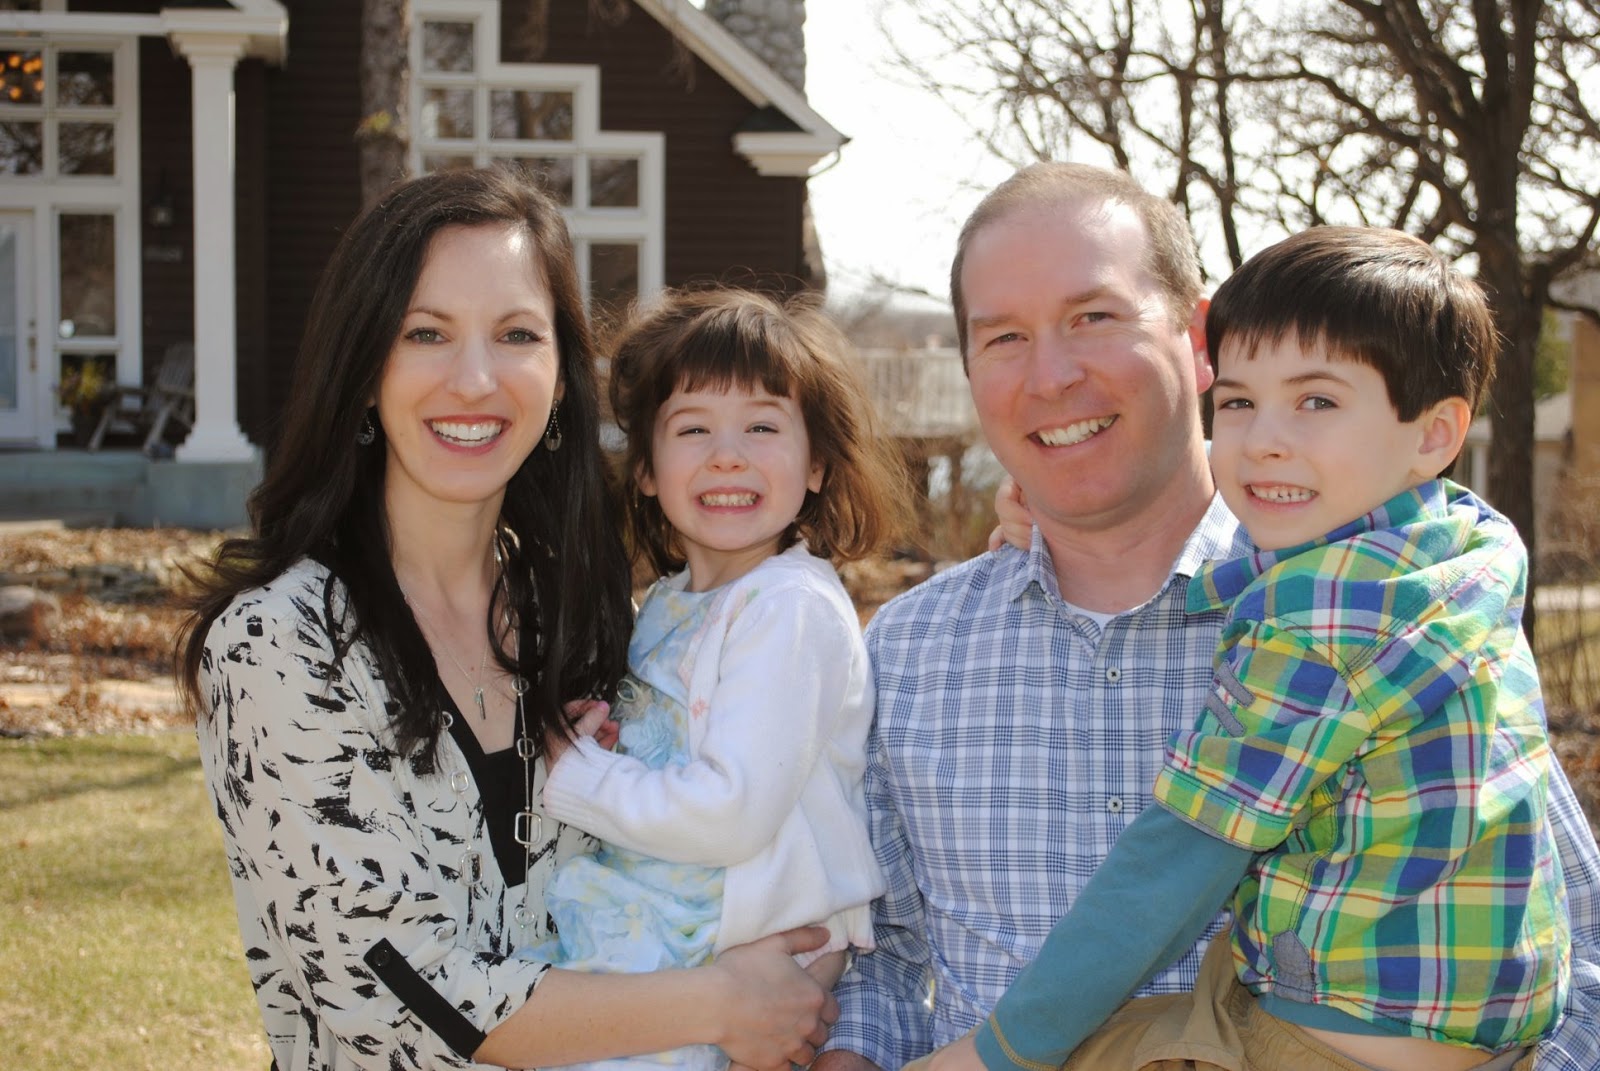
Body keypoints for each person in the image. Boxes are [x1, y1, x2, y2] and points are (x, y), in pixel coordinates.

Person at [813, 163, 1600, 1071]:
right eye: (1004, 337)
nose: (1052, 375)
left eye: (1092, 317)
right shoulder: (909, 648)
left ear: (1198, 338)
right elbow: (885, 955)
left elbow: (1575, 952)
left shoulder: (1389, 604)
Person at [181, 168, 839, 1071]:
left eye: (517, 334)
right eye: (426, 333)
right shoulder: (282, 641)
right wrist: (723, 1004)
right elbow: (394, 994)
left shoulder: (579, 613)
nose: (476, 379)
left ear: (560, 377)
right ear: (364, 368)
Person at [530, 287, 913, 1071]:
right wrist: (616, 740)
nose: (727, 454)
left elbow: (732, 809)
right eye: (693, 428)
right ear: (646, 469)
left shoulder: (788, 606)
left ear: (815, 464)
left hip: (742, 938)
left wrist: (577, 774)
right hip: (676, 918)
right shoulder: (672, 602)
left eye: (762, 427)